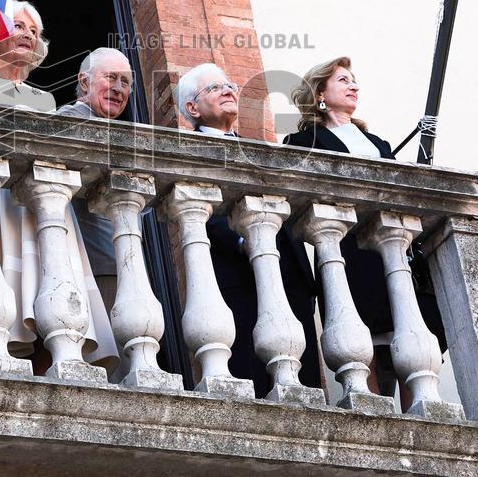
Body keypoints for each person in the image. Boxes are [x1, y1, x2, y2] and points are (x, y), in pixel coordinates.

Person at [0, 1, 118, 374]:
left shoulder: (45, 100)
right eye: (19, 26)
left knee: (47, 285)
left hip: (39, 207)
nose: (27, 34)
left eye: (34, 31)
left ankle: (47, 370)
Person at [283, 56, 445, 401]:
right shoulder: (303, 141)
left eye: (353, 80)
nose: (353, 85)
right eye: (343, 80)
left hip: (394, 251)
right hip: (348, 253)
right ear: (320, 93)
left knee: (409, 334)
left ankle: (416, 413)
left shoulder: (378, 143)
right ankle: (373, 413)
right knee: (363, 339)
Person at [177, 63, 321, 396]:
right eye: (214, 88)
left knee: (305, 384)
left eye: (229, 84)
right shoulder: (188, 153)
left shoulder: (258, 149)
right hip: (236, 279)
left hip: (288, 278)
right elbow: (199, 209)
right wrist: (243, 240)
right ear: (192, 108)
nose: (228, 90)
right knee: (254, 382)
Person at [55, 47, 134, 314]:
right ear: (84, 81)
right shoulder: (68, 121)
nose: (119, 88)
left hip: (121, 265)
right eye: (111, 78)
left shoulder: (119, 131)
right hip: (94, 267)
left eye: (125, 82)